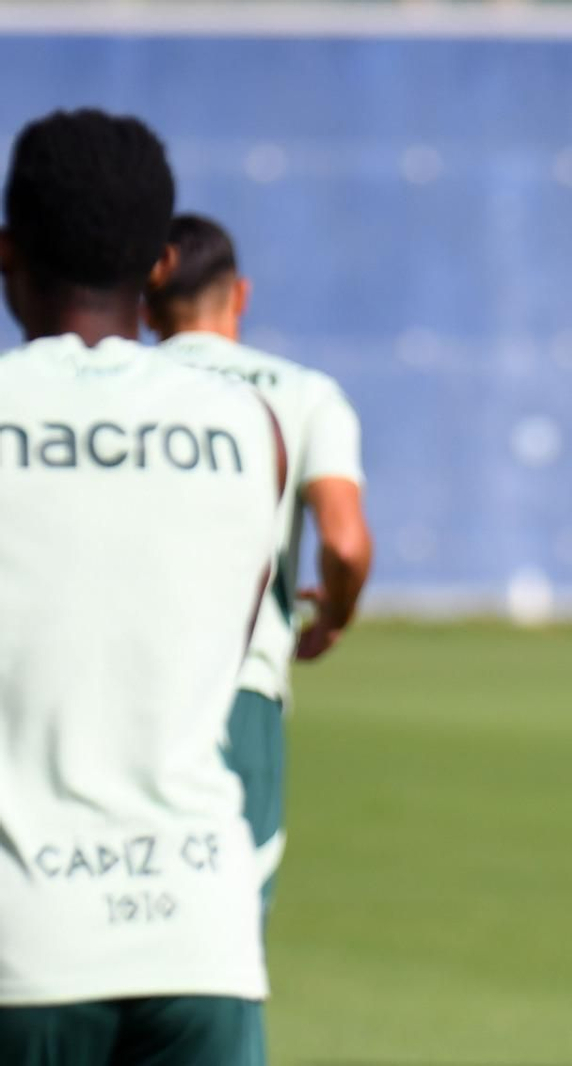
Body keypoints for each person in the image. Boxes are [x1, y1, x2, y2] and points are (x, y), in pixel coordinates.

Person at [0, 109, 285, 1064]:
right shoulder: (251, 429)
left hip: (25, 946)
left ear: (9, 253)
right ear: (161, 265)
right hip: (200, 932)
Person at [144, 213, 372, 915]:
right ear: (238, 294)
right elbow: (344, 542)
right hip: (238, 685)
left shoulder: (119, 384)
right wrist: (333, 610)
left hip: (118, 685)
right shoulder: (304, 394)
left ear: (149, 299)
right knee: (225, 938)